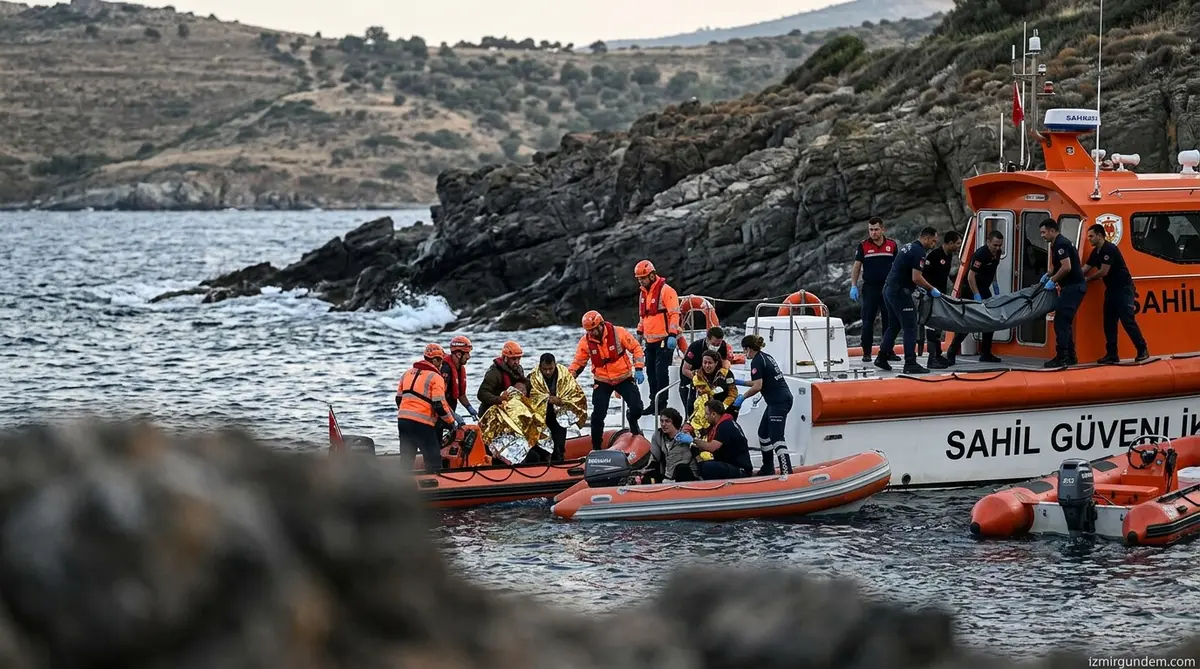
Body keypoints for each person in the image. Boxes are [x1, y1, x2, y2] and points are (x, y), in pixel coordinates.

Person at [569, 310, 647, 451]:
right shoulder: (585, 342)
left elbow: (636, 348)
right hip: (602, 380)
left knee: (637, 408)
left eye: (593, 329)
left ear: (601, 324)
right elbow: (579, 362)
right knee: (598, 416)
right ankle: (596, 447)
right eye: (588, 330)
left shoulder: (619, 333)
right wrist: (570, 375)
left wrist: (639, 368)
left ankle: (632, 419)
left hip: (623, 377)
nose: (591, 333)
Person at [875, 227, 942, 375]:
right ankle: (910, 363)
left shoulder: (908, 247)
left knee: (894, 325)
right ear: (926, 238)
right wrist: (931, 289)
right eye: (933, 241)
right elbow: (916, 277)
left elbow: (904, 272)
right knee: (910, 327)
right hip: (900, 293)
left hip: (889, 289)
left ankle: (882, 357)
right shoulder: (919, 252)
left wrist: (918, 288)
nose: (934, 244)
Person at [1082, 223, 1150, 364]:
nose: (1089, 239)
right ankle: (1112, 354)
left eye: (1091, 236)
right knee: (1109, 323)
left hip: (1123, 289)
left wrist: (1087, 280)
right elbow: (1086, 267)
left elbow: (1103, 272)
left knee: (1127, 321)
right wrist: (1075, 278)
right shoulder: (1096, 252)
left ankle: (1142, 349)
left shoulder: (1109, 249)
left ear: (1100, 236)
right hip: (1111, 290)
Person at [396, 343, 463, 473]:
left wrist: (408, 413)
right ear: (434, 360)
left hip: (403, 421)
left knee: (406, 459)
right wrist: (451, 422)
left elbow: (399, 399)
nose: (441, 364)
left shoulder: (407, 374)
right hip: (422, 424)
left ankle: (401, 487)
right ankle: (438, 488)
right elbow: (438, 404)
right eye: (440, 361)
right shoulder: (436, 377)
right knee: (433, 461)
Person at [734, 334, 793, 476]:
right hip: (776, 401)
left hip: (779, 402)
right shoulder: (764, 357)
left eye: (744, 350)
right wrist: (739, 382)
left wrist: (743, 397)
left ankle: (787, 470)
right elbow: (758, 382)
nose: (744, 353)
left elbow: (758, 386)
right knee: (763, 434)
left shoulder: (757, 361)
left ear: (748, 349)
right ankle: (768, 467)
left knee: (776, 437)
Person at [946, 230, 1005, 366]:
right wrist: (976, 295)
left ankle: (986, 353)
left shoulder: (997, 253)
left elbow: (993, 269)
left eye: (999, 245)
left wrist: (995, 284)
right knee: (969, 322)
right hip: (971, 289)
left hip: (984, 288)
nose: (997, 248)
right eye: (995, 245)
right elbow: (970, 276)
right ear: (988, 242)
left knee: (991, 319)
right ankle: (951, 352)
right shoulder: (981, 254)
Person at [850, 217, 901, 363]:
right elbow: (857, 266)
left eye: (876, 229)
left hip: (888, 288)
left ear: (882, 229)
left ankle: (887, 351)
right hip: (870, 287)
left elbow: (898, 266)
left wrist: (899, 284)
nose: (873, 233)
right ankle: (866, 352)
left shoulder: (891, 245)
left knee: (889, 320)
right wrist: (853, 285)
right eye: (871, 230)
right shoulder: (863, 246)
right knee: (867, 321)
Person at [634, 260, 681, 416]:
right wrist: (639, 334)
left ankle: (662, 404)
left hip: (664, 340)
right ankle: (653, 402)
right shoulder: (643, 293)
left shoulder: (667, 291)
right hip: (650, 341)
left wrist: (673, 335)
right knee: (651, 373)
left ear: (652, 275)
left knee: (661, 372)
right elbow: (643, 316)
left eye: (643, 278)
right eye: (639, 278)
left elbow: (674, 314)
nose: (641, 281)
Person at [1039, 218, 1087, 368]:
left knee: (1061, 322)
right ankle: (1070, 356)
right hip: (1071, 287)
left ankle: (1062, 358)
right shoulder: (1056, 243)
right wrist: (1048, 274)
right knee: (1064, 322)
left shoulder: (1061, 244)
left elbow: (1066, 267)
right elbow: (1058, 265)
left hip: (1073, 287)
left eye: (1043, 232)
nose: (1042, 235)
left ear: (1052, 231)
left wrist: (1052, 280)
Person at [529, 352, 587, 461]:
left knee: (559, 445)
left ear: (555, 365)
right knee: (542, 446)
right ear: (540, 367)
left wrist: (560, 400)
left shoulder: (564, 374)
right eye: (545, 369)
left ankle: (559, 462)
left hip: (560, 414)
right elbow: (530, 398)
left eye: (550, 368)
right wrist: (546, 399)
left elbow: (573, 393)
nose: (548, 372)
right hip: (541, 417)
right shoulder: (532, 377)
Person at [920, 230, 962, 369]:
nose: (958, 246)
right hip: (930, 295)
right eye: (957, 244)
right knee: (931, 326)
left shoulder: (948, 256)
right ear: (949, 243)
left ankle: (937, 355)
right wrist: (930, 290)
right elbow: (923, 275)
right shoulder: (934, 255)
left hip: (940, 296)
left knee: (938, 326)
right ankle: (932, 359)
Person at [692, 400, 754, 480]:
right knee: (701, 464)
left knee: (707, 467)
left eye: (707, 414)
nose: (705, 417)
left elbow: (712, 447)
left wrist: (692, 440)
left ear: (714, 414)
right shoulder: (723, 424)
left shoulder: (725, 426)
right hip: (729, 464)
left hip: (740, 469)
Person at [679, 326, 732, 412]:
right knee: (692, 410)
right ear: (707, 339)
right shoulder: (695, 347)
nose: (716, 346)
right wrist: (700, 381)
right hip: (690, 381)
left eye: (718, 344)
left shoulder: (722, 346)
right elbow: (685, 370)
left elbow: (724, 362)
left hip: (710, 383)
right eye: (714, 344)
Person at [687, 350, 739, 433]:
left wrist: (723, 407)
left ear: (716, 363)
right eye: (705, 362)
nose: (707, 366)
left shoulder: (726, 374)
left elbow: (733, 393)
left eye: (710, 363)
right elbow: (695, 397)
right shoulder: (698, 376)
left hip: (726, 406)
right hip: (708, 409)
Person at [439, 336, 478, 443]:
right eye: (467, 353)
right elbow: (439, 398)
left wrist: (470, 408)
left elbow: (461, 394)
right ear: (459, 354)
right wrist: (454, 416)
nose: (469, 357)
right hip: (440, 412)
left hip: (449, 411)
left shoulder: (460, 369)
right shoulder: (445, 369)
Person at [648, 408, 699, 483]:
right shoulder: (658, 435)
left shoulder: (685, 437)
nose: (663, 424)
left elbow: (675, 464)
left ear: (675, 423)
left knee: (681, 469)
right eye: (661, 421)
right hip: (668, 475)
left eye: (667, 421)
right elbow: (655, 458)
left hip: (687, 476)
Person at [477, 340, 526, 414]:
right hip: (490, 411)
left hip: (509, 409)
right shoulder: (494, 372)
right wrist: (500, 399)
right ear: (505, 358)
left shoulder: (519, 369)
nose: (517, 362)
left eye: (518, 358)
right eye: (513, 359)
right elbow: (481, 394)